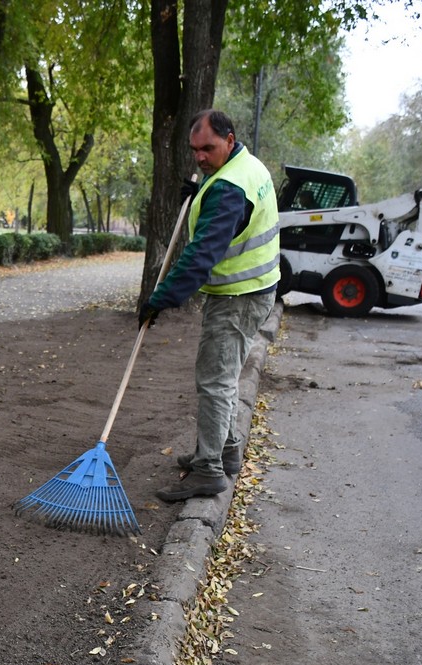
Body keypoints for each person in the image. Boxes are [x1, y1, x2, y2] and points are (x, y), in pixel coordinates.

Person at [139, 109, 280, 502]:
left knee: (215, 381)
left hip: (238, 298)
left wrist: (160, 298)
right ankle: (226, 449)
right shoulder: (245, 166)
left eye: (208, 148)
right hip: (255, 290)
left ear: (229, 141)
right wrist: (199, 193)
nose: (200, 157)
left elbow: (200, 257)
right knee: (224, 375)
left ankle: (208, 471)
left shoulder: (228, 189)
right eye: (194, 150)